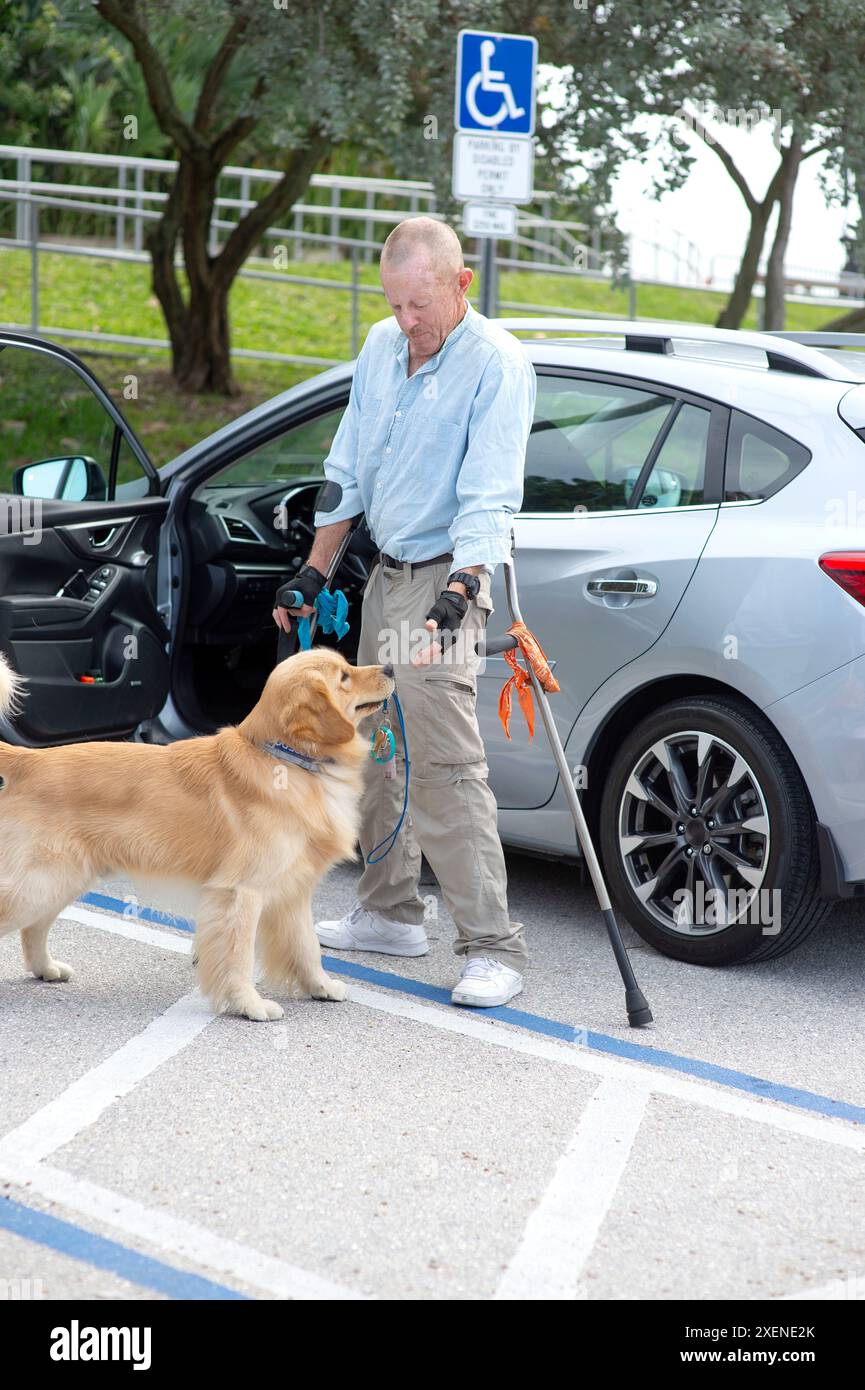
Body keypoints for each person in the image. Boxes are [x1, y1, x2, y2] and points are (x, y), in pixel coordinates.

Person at [273, 216, 537, 1007]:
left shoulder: (495, 363)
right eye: (394, 305)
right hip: (386, 578)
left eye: (419, 305)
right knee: (376, 747)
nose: (406, 323)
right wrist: (314, 574)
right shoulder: (380, 349)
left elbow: (489, 497)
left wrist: (460, 595)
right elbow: (346, 469)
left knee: (446, 763)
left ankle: (492, 945)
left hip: (443, 582)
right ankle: (390, 912)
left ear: (461, 284)